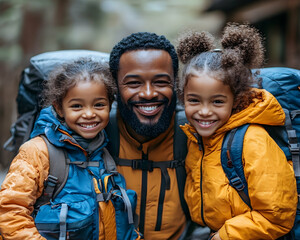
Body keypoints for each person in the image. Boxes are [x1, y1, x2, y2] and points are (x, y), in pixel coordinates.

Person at [176, 23, 298, 239]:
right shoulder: (198, 139)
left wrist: (225, 235)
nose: (204, 112)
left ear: (235, 99)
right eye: (194, 100)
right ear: (182, 97)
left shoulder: (253, 141)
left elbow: (277, 217)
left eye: (217, 101)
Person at [0, 58, 139, 239]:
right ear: (59, 108)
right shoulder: (37, 152)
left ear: (109, 105)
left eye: (99, 105)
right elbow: (10, 211)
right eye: (76, 106)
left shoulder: (103, 152)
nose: (89, 114)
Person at [107, 32, 192, 240]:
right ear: (115, 86)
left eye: (161, 82)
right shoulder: (97, 133)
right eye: (134, 83)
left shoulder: (194, 132)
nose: (148, 93)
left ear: (176, 84)